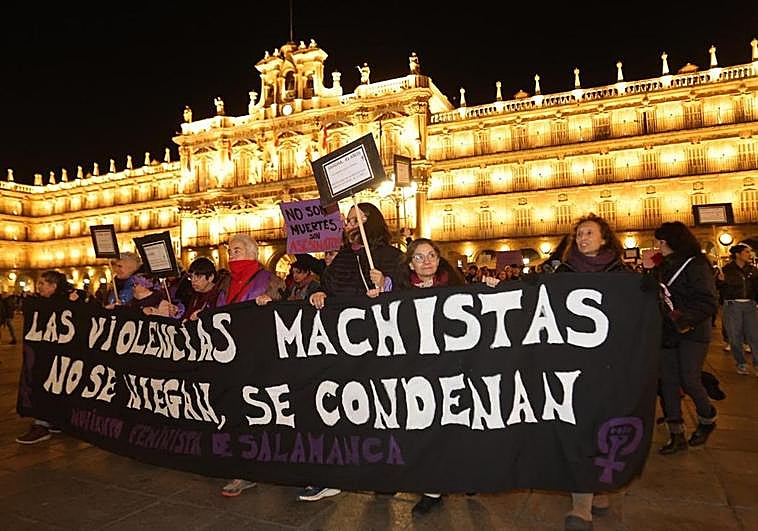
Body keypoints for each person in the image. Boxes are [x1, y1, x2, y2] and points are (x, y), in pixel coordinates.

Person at [304, 202, 404, 502]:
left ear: (370, 222)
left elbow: (405, 292)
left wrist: (385, 284)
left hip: (379, 347)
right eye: (347, 221)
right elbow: (323, 285)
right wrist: (317, 293)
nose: (348, 225)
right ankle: (342, 471)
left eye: (355, 220)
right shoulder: (343, 258)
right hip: (344, 347)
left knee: (380, 410)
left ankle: (385, 473)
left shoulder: (390, 255)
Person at [553, 214, 627, 531]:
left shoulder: (621, 274)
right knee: (578, 427)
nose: (582, 238)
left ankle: (598, 487)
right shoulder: (563, 272)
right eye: (579, 234)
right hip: (572, 362)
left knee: (603, 425)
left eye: (589, 233)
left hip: (610, 363)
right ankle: (580, 505)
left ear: (604, 238)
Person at [396, 238, 465, 515]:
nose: (426, 261)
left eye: (431, 255)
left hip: (452, 367)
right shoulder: (399, 291)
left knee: (455, 423)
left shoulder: (457, 287)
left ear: (439, 259)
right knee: (426, 425)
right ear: (410, 263)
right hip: (416, 370)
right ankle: (432, 489)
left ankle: (466, 474)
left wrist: (490, 289)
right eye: (419, 257)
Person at [218, 234, 283, 497]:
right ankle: (243, 469)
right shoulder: (225, 283)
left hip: (261, 357)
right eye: (230, 250)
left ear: (253, 254)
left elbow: (285, 308)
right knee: (236, 411)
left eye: (237, 250)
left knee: (262, 411)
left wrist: (272, 302)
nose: (232, 254)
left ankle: (269, 462)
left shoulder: (269, 280)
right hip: (230, 356)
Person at [653, 221, 718, 456]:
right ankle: (676, 434)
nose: (658, 245)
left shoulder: (696, 264)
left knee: (689, 380)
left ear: (672, 241)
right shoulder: (663, 267)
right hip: (668, 333)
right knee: (668, 383)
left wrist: (684, 319)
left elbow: (708, 301)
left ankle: (707, 418)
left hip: (693, 332)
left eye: (661, 241)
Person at [16, 271, 86, 444]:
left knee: (50, 385)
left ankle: (43, 423)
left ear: (54, 286)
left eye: (42, 283)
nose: (38, 286)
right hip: (42, 353)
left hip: (57, 354)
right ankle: (51, 419)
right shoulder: (41, 303)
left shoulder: (66, 301)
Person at [716, 243, 758, 375]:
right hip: (733, 305)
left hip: (750, 305)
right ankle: (741, 363)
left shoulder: (753, 270)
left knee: (754, 336)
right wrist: (720, 281)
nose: (749, 254)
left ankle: (757, 364)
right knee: (734, 337)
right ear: (737, 254)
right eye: (746, 252)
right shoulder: (726, 270)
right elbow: (718, 288)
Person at [181, 257, 225, 321]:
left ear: (210, 277)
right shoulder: (195, 295)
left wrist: (204, 316)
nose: (193, 281)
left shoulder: (219, 296)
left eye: (198, 276)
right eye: (191, 276)